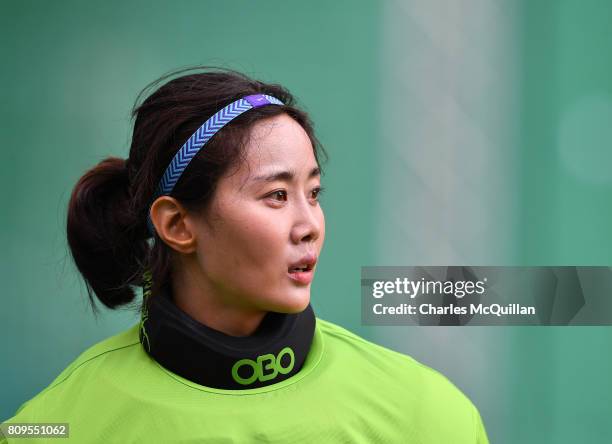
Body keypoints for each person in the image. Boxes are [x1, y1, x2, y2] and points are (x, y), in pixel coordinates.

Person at [2, 68, 489, 443]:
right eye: (276, 195)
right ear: (176, 224)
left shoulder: (425, 415)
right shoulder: (54, 427)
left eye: (313, 193)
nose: (310, 225)